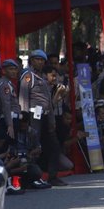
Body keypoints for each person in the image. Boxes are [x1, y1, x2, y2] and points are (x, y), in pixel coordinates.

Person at [18, 49, 67, 186]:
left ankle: (52, 176)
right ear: (31, 61)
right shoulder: (28, 76)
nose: (40, 62)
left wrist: (51, 120)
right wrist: (24, 117)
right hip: (33, 116)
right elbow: (23, 96)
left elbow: (48, 102)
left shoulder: (42, 78)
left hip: (45, 116)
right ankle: (31, 177)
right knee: (33, 145)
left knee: (54, 146)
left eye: (42, 60)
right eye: (37, 59)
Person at [0, 59, 21, 145]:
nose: (14, 71)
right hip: (9, 119)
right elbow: (6, 104)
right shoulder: (5, 85)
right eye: (11, 69)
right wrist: (10, 124)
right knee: (10, 146)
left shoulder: (9, 83)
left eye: (15, 69)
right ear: (4, 71)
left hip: (13, 118)